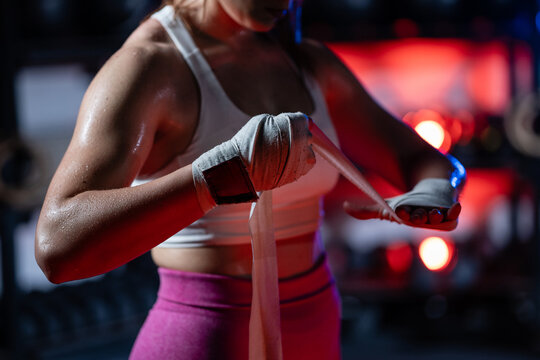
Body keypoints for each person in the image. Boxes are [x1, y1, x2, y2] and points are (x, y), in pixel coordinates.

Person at [35, 0, 465, 359]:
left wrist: (436, 188)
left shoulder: (305, 61)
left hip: (317, 326)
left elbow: (421, 158)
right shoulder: (150, 67)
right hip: (204, 336)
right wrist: (216, 179)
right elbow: (59, 247)